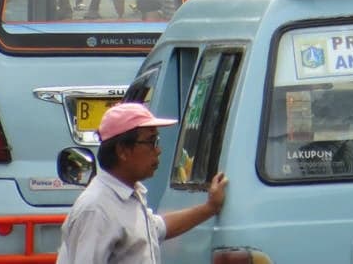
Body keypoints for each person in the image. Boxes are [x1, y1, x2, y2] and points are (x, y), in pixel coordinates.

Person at [56, 102, 227, 263]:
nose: (158, 150)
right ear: (122, 150)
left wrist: (210, 208)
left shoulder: (127, 196)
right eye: (151, 142)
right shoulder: (96, 208)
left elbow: (158, 228)